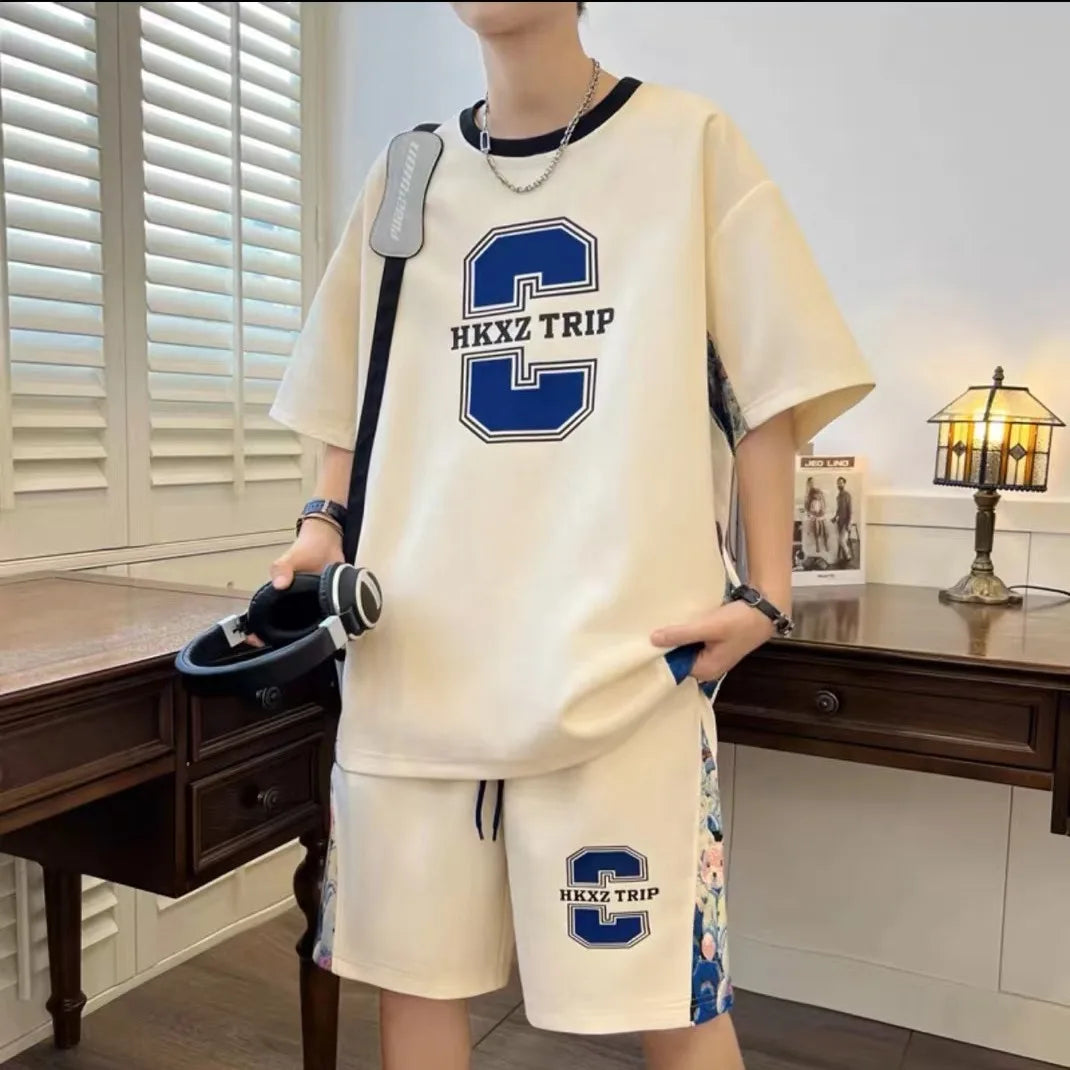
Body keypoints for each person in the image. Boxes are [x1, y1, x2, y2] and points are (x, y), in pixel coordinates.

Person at [269, 4, 874, 1068]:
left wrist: (766, 594)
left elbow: (769, 383)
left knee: (673, 998)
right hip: (417, 667)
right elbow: (349, 388)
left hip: (620, 667)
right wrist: (322, 525)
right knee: (414, 988)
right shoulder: (406, 174)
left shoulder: (687, 144)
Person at [834, 475, 854, 567]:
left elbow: (850, 510)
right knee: (840, 540)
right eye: (838, 483)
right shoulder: (838, 496)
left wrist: (849, 523)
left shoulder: (847, 495)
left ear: (844, 484)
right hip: (840, 522)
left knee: (841, 540)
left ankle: (848, 555)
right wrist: (835, 517)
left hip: (846, 522)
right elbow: (838, 509)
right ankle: (843, 558)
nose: (839, 484)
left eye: (841, 483)